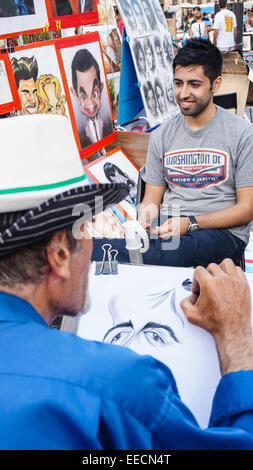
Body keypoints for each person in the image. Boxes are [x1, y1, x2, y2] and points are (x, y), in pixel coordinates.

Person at [1, 113, 253, 450]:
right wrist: (237, 342)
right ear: (60, 254)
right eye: (88, 228)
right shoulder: (116, 384)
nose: (94, 242)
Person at [92, 38, 253, 268]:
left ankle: (90, 251)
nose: (183, 93)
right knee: (154, 250)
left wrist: (190, 223)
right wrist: (143, 223)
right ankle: (94, 252)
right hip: (168, 231)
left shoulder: (243, 134)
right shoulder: (162, 136)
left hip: (222, 235)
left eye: (194, 85)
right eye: (178, 83)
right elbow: (151, 199)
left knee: (177, 251)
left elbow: (247, 209)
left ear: (215, 84)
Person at [71, 48, 113, 148]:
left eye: (94, 93)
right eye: (83, 97)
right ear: (75, 95)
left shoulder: (108, 126)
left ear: (101, 88)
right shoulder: (78, 136)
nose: (91, 105)